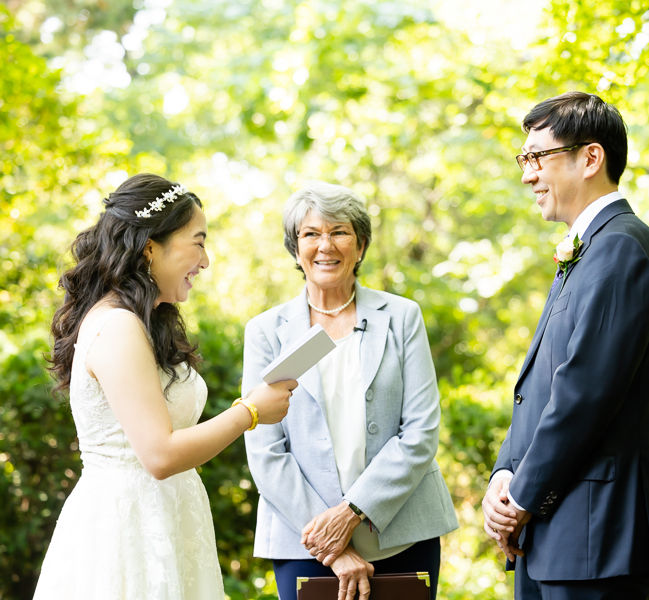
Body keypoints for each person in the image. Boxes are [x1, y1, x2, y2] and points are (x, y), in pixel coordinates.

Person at [35, 174, 296, 599]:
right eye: (198, 241)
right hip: (128, 531)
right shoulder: (118, 326)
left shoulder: (144, 322)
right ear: (151, 246)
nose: (206, 260)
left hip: (167, 518)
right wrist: (249, 412)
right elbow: (159, 454)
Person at [481, 92, 649, 599]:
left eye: (537, 157)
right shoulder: (588, 250)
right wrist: (505, 472)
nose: (527, 175)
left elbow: (583, 395)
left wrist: (520, 497)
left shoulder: (621, 248)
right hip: (554, 534)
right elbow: (543, 386)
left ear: (590, 158)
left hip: (594, 538)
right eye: (525, 160)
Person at [241, 181, 459, 600]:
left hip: (402, 534)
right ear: (295, 247)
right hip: (305, 538)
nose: (326, 245)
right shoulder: (267, 331)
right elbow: (266, 450)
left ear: (360, 245)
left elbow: (419, 434)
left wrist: (351, 513)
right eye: (310, 234)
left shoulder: (401, 317)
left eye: (339, 231)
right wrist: (331, 544)